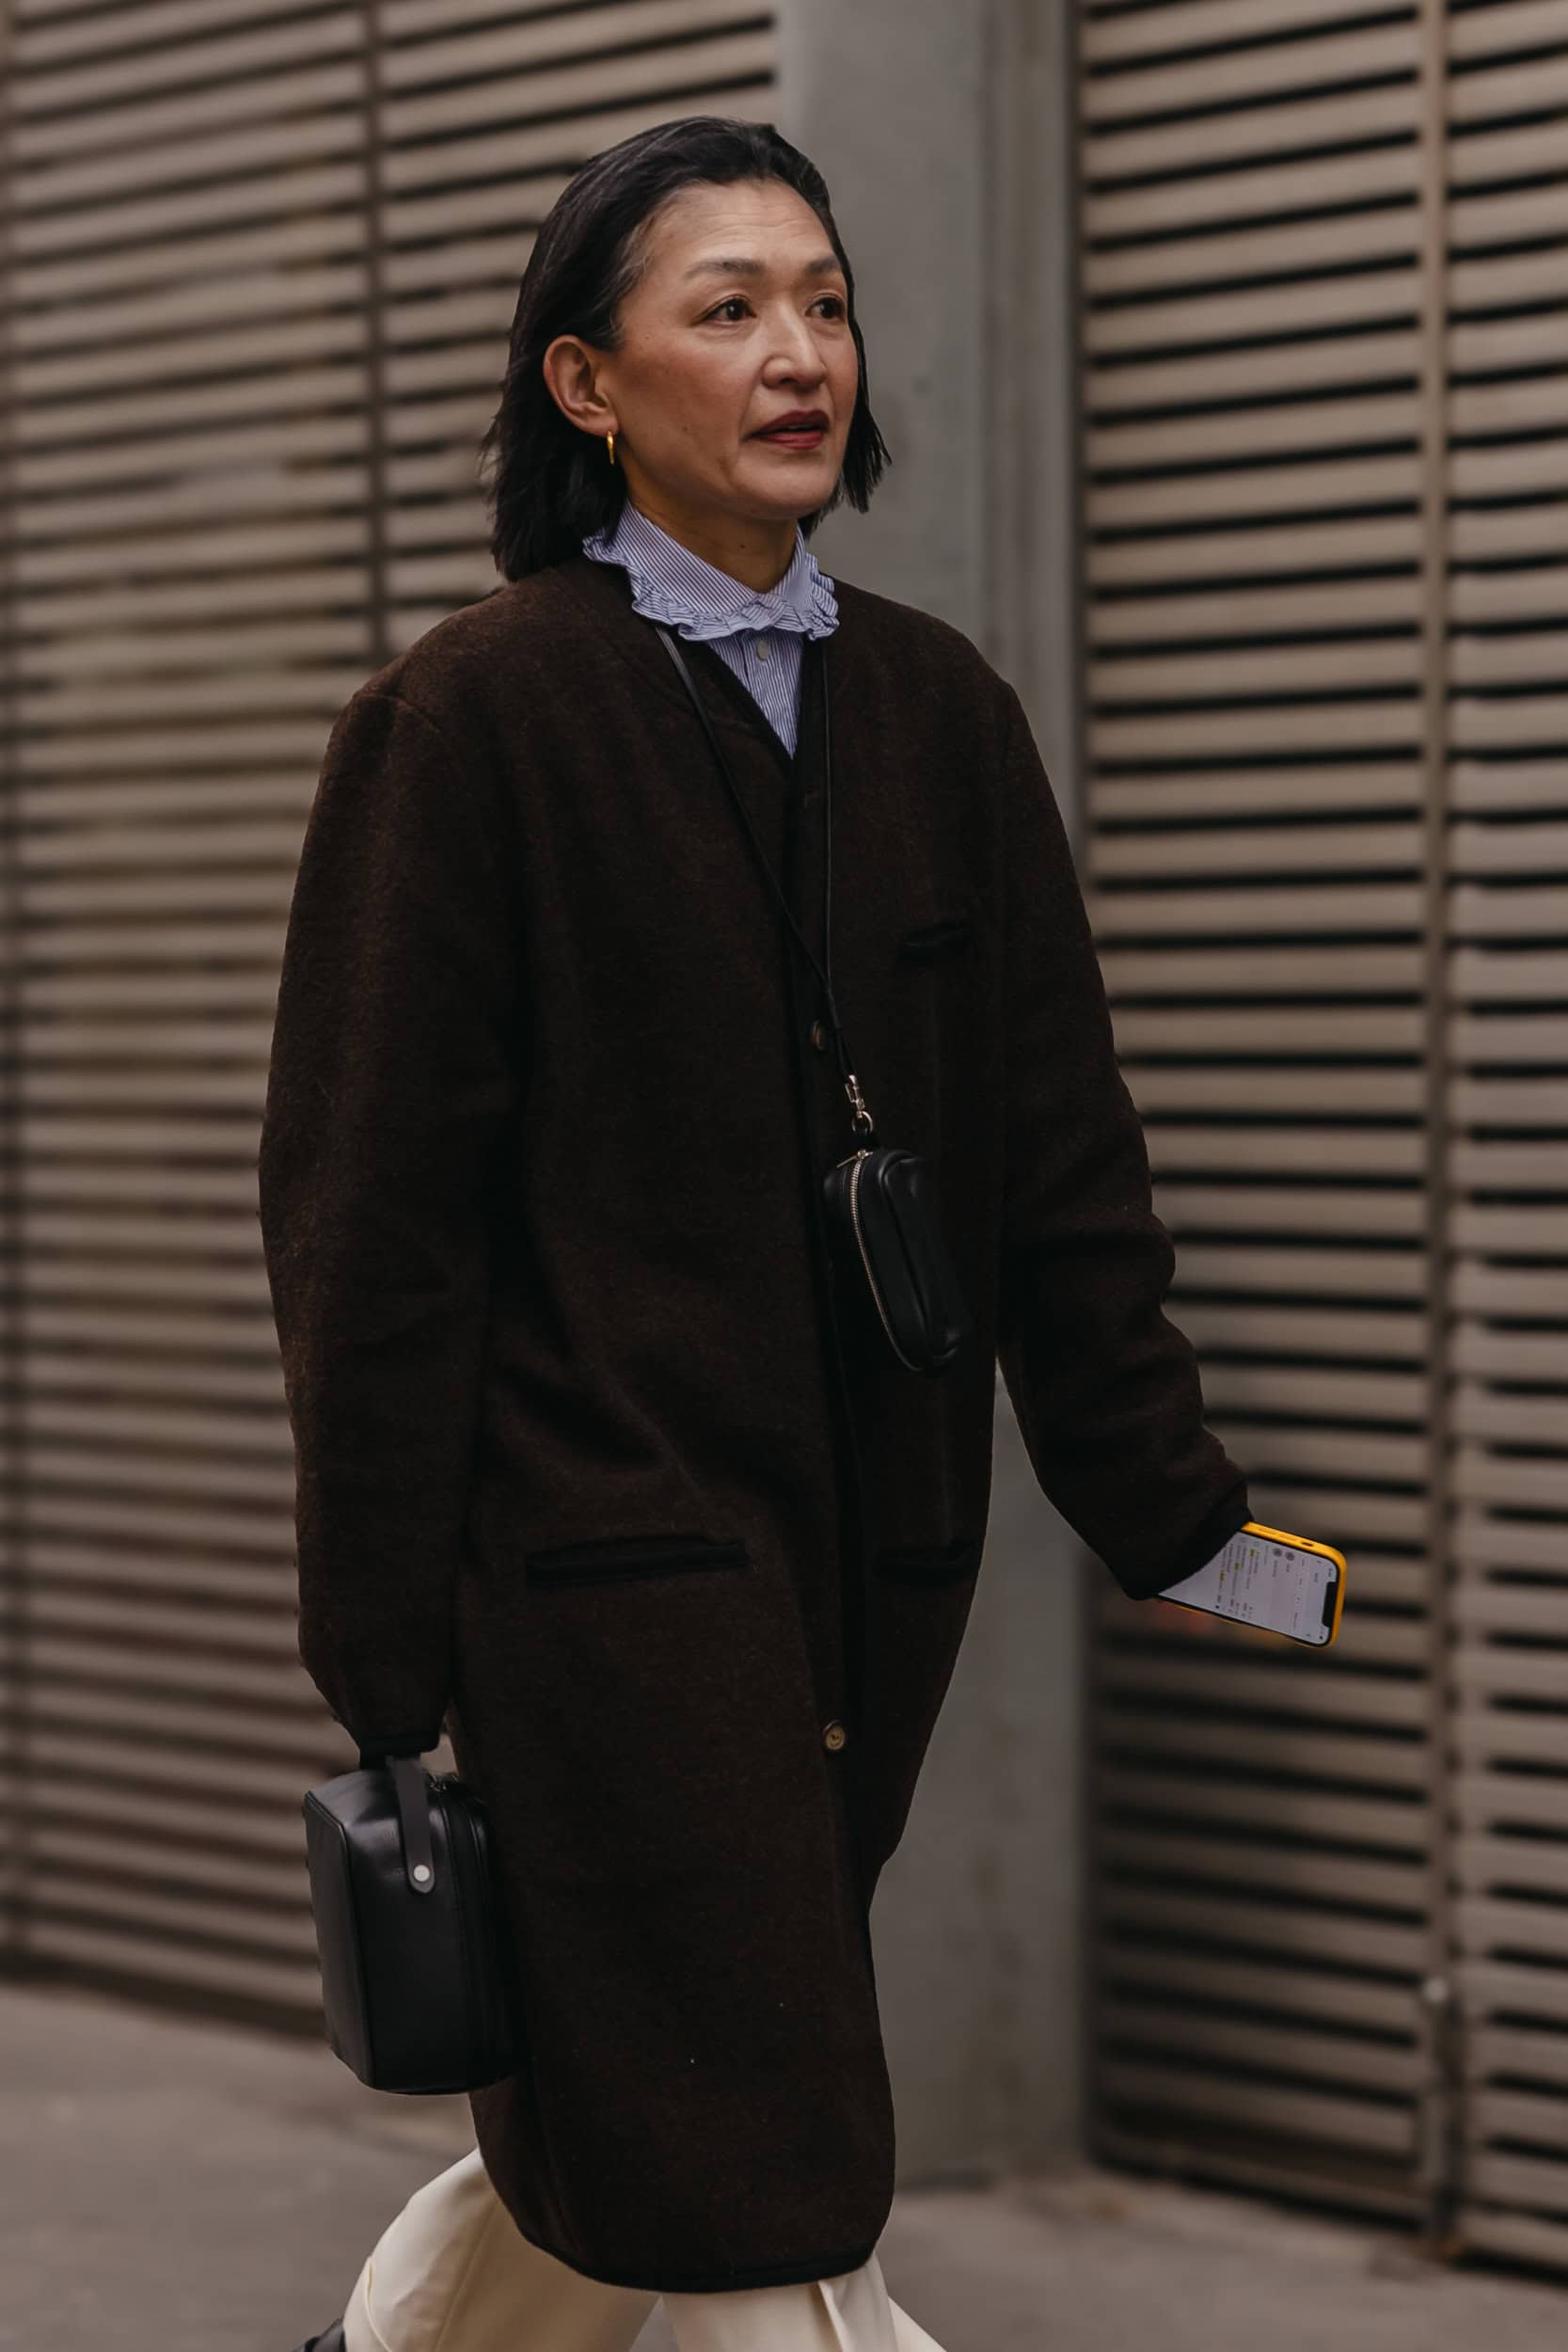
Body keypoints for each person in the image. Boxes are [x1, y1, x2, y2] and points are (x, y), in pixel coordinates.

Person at [260, 112, 1253, 2352]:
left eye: (825, 301)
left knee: (661, 2087)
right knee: (768, 2139)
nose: (800, 351)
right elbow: (368, 1228)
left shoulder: (941, 711)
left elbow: (1063, 1168)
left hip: (877, 1567)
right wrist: (383, 1662)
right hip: (596, 1579)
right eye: (729, 309)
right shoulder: (470, 720)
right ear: (587, 383)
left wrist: (1190, 1523)